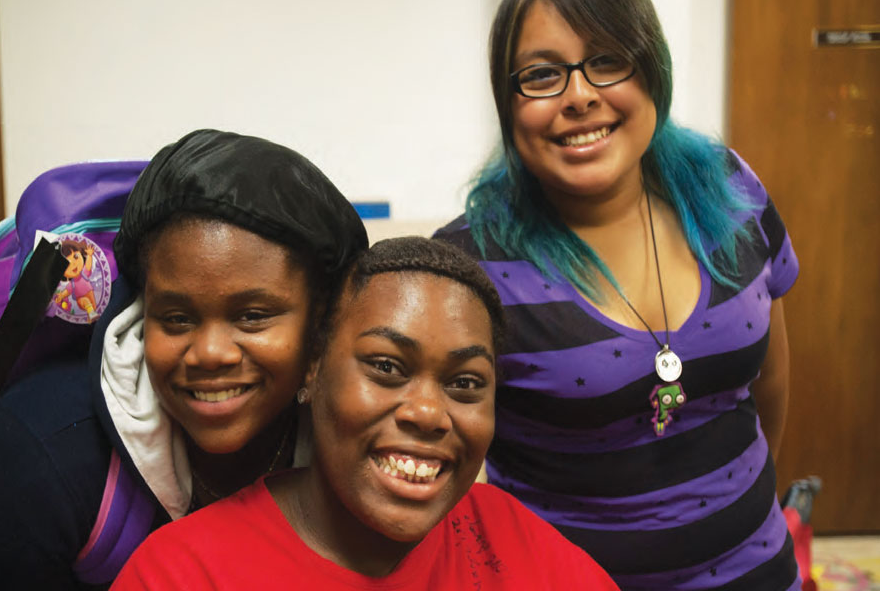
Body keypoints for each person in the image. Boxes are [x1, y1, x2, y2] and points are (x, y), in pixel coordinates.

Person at [433, 0, 801, 589]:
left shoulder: (732, 190)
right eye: (543, 74)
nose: (579, 96)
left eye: (607, 60)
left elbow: (773, 383)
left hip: (759, 570)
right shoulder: (467, 267)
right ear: (508, 101)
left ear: (652, 67)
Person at [112, 237, 619, 590]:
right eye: (386, 367)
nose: (427, 412)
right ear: (312, 369)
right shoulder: (183, 573)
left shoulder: (507, 536)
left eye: (465, 384)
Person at [0, 129, 368, 589]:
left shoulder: (357, 434)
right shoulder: (41, 452)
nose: (210, 354)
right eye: (177, 319)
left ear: (319, 329)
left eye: (252, 316)